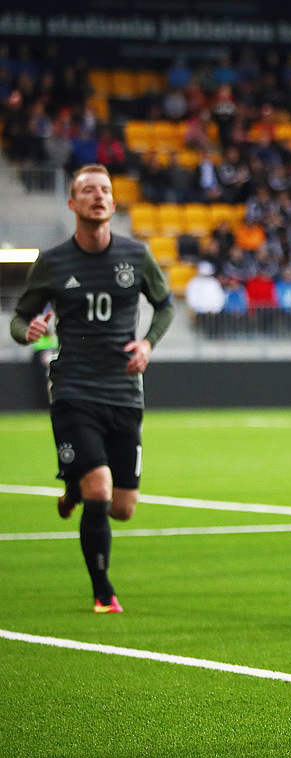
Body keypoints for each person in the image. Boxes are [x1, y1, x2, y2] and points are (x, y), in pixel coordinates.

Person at [9, 163, 175, 614]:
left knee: (122, 507)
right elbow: (19, 318)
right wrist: (29, 330)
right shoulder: (54, 261)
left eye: (104, 189)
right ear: (73, 203)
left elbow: (165, 305)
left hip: (123, 392)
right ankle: (104, 593)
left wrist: (147, 342)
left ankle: (75, 487)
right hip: (73, 389)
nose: (97, 196)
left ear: (113, 203)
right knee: (101, 487)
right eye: (87, 190)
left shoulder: (136, 255)